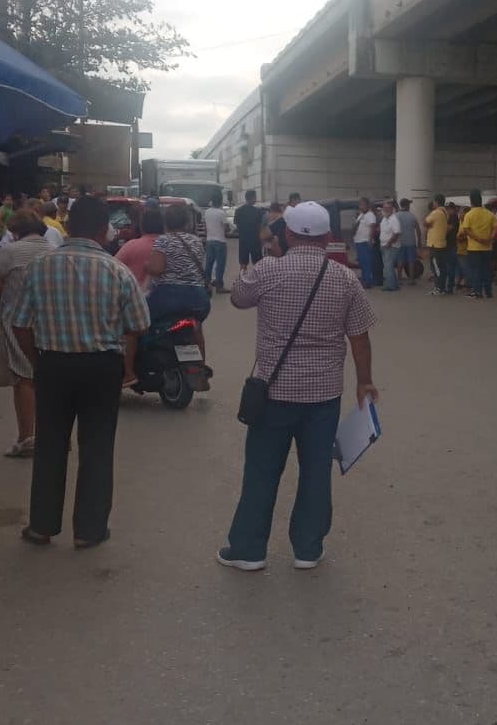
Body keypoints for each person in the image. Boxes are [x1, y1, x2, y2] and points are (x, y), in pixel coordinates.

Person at [219, 201, 377, 572]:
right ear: (328, 237)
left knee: (261, 470)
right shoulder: (344, 277)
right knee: (316, 471)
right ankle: (307, 549)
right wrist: (365, 381)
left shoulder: (271, 269)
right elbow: (360, 337)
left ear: (287, 233)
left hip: (272, 392)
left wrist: (265, 253)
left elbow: (239, 298)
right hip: (323, 396)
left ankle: (248, 550)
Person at [11, 194, 150, 548]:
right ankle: (89, 531)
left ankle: (42, 526)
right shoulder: (116, 270)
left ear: (67, 226)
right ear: (104, 231)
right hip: (101, 367)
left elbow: (20, 324)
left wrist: (39, 361)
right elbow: (139, 324)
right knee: (97, 448)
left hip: (53, 364)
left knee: (50, 446)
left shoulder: (40, 267)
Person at [0, 210, 52, 457]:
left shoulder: (10, 251)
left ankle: (27, 437)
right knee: (46, 377)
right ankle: (50, 435)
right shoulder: (52, 248)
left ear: (15, 230)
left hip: (16, 320)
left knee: (24, 379)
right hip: (49, 321)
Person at [146, 204, 211, 356]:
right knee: (197, 328)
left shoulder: (163, 241)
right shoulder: (196, 241)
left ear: (166, 222)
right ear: (187, 223)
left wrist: (147, 265)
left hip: (167, 298)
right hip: (198, 298)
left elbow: (156, 269)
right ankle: (201, 369)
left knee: (144, 324)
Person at [115, 207, 163, 293]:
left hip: (134, 295)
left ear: (142, 226)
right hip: (162, 297)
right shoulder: (167, 246)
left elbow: (113, 268)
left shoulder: (131, 246)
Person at [462, 190, 496, 299]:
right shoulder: (489, 214)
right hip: (487, 247)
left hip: (474, 248)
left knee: (475, 270)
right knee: (487, 269)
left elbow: (467, 230)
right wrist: (489, 239)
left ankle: (477, 292)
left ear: (471, 201)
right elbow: (496, 228)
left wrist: (478, 239)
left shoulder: (469, 214)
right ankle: (488, 292)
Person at [424, 193, 450, 294]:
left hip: (435, 244)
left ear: (436, 202)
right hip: (441, 243)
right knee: (442, 267)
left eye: (434, 202)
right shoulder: (445, 212)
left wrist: (429, 225)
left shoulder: (436, 212)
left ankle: (439, 288)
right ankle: (441, 287)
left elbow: (425, 222)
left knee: (436, 267)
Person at [234, 189, 265, 271]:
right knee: (258, 264)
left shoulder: (238, 211)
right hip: (255, 241)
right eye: (255, 197)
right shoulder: (258, 211)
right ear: (251, 197)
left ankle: (242, 281)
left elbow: (237, 226)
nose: (256, 199)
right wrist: (262, 241)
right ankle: (257, 281)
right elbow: (260, 227)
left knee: (243, 264)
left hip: (243, 241)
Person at [203, 195, 228, 292]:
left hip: (209, 241)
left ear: (212, 201)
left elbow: (205, 228)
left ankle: (206, 283)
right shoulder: (221, 213)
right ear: (220, 201)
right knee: (220, 264)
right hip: (220, 241)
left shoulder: (207, 212)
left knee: (209, 263)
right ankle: (219, 286)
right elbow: (226, 228)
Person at [353, 196, 378, 288]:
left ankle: (368, 282)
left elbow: (372, 227)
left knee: (367, 263)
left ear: (367, 205)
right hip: (359, 242)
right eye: (360, 205)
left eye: (363, 204)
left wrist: (370, 240)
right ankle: (364, 280)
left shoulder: (370, 215)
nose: (361, 206)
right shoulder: (361, 215)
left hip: (365, 242)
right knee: (362, 263)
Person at [378, 200, 401, 291]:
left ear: (392, 209)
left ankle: (390, 286)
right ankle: (394, 285)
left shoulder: (394, 219)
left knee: (388, 266)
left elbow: (396, 233)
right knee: (388, 266)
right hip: (384, 245)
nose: (386, 209)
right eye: (384, 208)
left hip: (391, 246)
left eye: (388, 208)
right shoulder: (384, 218)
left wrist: (389, 243)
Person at [396, 199, 420, 283]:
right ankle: (411, 279)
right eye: (409, 205)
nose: (410, 206)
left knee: (400, 260)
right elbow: (418, 230)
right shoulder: (412, 216)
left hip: (400, 242)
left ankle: (399, 278)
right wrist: (419, 242)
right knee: (411, 260)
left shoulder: (396, 216)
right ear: (406, 205)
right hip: (411, 242)